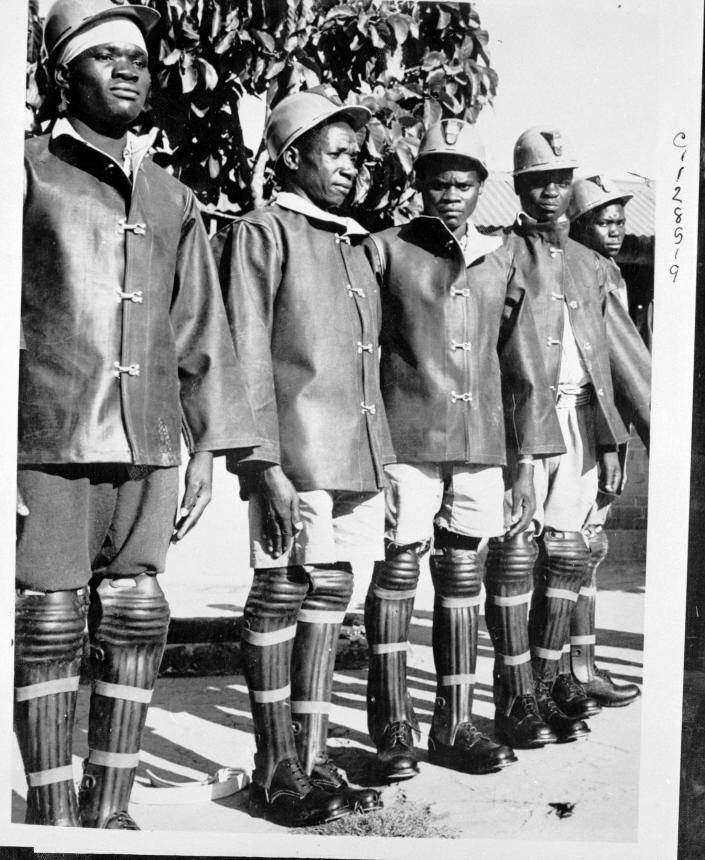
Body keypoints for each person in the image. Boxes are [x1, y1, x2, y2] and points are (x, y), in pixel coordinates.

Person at [15, 0, 261, 829]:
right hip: (49, 436)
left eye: (140, 56)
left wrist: (204, 450)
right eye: (106, 53)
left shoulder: (174, 197)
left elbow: (200, 331)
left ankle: (110, 812)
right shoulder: (27, 173)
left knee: (136, 609)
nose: (130, 67)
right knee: (50, 618)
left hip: (151, 441)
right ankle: (49, 819)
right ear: (61, 73)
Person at [362, 119, 568, 780]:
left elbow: (522, 365)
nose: (449, 194)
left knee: (463, 573)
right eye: (437, 182)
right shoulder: (384, 250)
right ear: (419, 184)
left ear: (483, 187)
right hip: (405, 437)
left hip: (481, 443)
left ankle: (453, 722)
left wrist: (527, 461)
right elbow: (363, 350)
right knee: (397, 569)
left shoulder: (502, 257)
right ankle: (391, 726)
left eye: (463, 183)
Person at [215, 91, 393, 827]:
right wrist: (263, 464)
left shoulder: (351, 240)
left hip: (355, 454)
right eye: (337, 153)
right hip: (296, 457)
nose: (352, 168)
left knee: (329, 593)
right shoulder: (263, 232)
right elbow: (244, 350)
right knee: (281, 589)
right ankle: (274, 767)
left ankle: (314, 758)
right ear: (292, 158)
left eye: (357, 156)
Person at [500, 127, 648, 733]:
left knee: (569, 555)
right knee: (513, 558)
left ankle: (550, 686)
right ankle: (517, 697)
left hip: (583, 420)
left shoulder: (592, 265)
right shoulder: (499, 257)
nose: (551, 192)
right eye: (539, 182)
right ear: (520, 187)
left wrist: (613, 439)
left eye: (561, 180)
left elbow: (612, 363)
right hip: (524, 425)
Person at [566, 175, 651, 707]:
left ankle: (582, 665)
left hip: (606, 427)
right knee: (567, 552)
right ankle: (568, 673)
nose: (616, 230)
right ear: (579, 225)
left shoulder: (610, 273)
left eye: (620, 220)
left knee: (589, 548)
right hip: (576, 423)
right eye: (604, 220)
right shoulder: (578, 272)